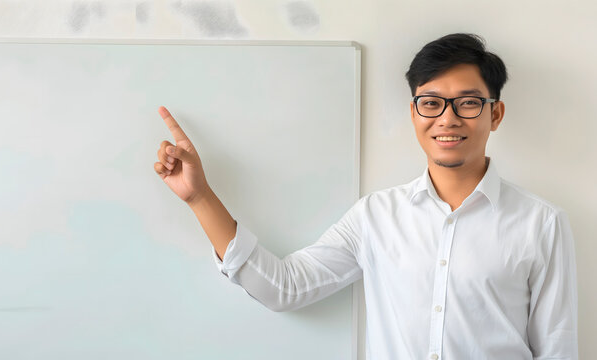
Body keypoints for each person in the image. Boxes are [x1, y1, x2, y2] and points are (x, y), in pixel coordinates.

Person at [152, 33, 579, 359]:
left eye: (467, 103)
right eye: (431, 103)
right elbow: (285, 288)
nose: (447, 118)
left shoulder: (541, 223)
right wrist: (200, 197)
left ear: (495, 114)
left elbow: (557, 348)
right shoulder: (376, 215)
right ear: (414, 113)